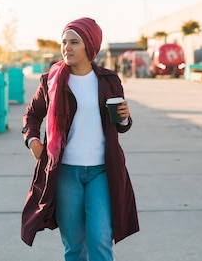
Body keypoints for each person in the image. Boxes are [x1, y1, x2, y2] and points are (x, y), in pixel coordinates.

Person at [20, 17, 139, 261]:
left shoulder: (108, 81)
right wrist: (33, 141)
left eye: (74, 42)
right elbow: (32, 115)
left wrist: (125, 118)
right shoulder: (50, 81)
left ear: (90, 46)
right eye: (64, 42)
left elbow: (121, 126)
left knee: (100, 240)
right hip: (64, 173)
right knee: (74, 246)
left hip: (102, 172)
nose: (67, 48)